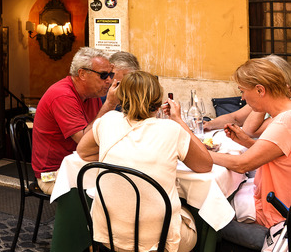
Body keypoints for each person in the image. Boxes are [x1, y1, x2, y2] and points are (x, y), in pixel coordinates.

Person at [77, 71, 212, 252]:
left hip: (108, 235)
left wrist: (121, 155)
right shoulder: (171, 129)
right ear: (158, 101)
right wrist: (178, 119)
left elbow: (83, 152)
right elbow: (205, 165)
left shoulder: (108, 121)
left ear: (121, 97)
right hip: (158, 243)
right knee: (197, 218)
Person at [210, 59, 291, 240]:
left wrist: (200, 153)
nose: (242, 98)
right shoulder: (285, 116)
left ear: (260, 90)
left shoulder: (284, 122)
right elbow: (277, 155)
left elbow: (242, 164)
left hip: (277, 213)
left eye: (242, 91)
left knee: (208, 218)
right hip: (276, 204)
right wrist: (247, 142)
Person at [31, 47, 119, 194]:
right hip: (52, 174)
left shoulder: (92, 95)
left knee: (119, 181)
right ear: (82, 74)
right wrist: (110, 104)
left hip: (81, 164)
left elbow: (101, 129)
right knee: (110, 189)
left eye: (110, 74)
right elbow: (85, 140)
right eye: (103, 75)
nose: (109, 80)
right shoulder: (62, 95)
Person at [204, 54, 291, 136]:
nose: (242, 98)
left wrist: (264, 96)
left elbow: (250, 131)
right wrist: (210, 124)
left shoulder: (285, 111)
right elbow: (235, 118)